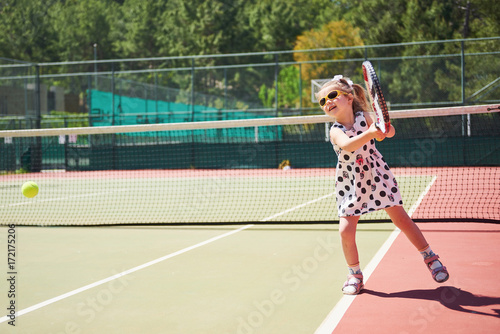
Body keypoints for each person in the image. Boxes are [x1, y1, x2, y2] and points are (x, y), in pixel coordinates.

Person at [316, 75, 449, 295]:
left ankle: (430, 257)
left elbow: (389, 131)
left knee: (402, 219)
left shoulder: (366, 117)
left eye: (332, 95)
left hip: (377, 174)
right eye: (323, 101)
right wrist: (370, 132)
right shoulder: (335, 130)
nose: (327, 102)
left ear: (349, 98)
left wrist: (385, 129)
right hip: (351, 182)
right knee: (345, 231)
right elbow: (348, 146)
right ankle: (354, 274)